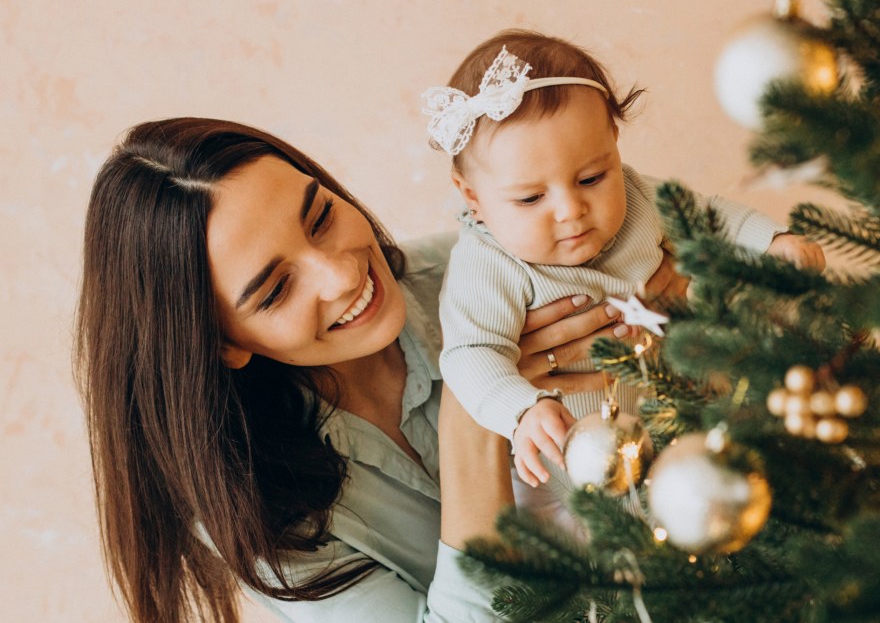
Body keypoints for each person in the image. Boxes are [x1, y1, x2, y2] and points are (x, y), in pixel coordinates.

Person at [73, 117, 683, 623]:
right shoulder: (252, 509)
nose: (343, 275)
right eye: (277, 289)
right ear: (222, 344)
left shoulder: (494, 273)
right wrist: (476, 401)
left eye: (320, 218)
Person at [424, 30, 826, 521]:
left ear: (614, 144)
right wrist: (522, 408)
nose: (571, 210)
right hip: (585, 469)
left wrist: (772, 242)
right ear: (472, 197)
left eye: (592, 178)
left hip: (692, 411)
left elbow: (707, 217)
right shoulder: (487, 264)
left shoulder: (639, 198)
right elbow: (471, 352)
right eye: (530, 198)